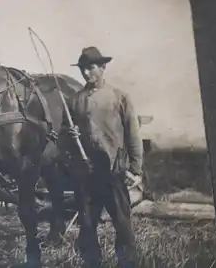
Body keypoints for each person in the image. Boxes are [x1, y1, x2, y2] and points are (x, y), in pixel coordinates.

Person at [58, 46, 143, 268]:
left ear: (103, 67)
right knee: (87, 225)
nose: (86, 73)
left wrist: (136, 169)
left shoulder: (119, 97)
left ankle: (127, 264)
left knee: (122, 225)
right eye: (83, 69)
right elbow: (62, 137)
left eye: (91, 68)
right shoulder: (74, 100)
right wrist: (69, 134)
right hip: (86, 174)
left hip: (114, 171)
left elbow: (133, 135)